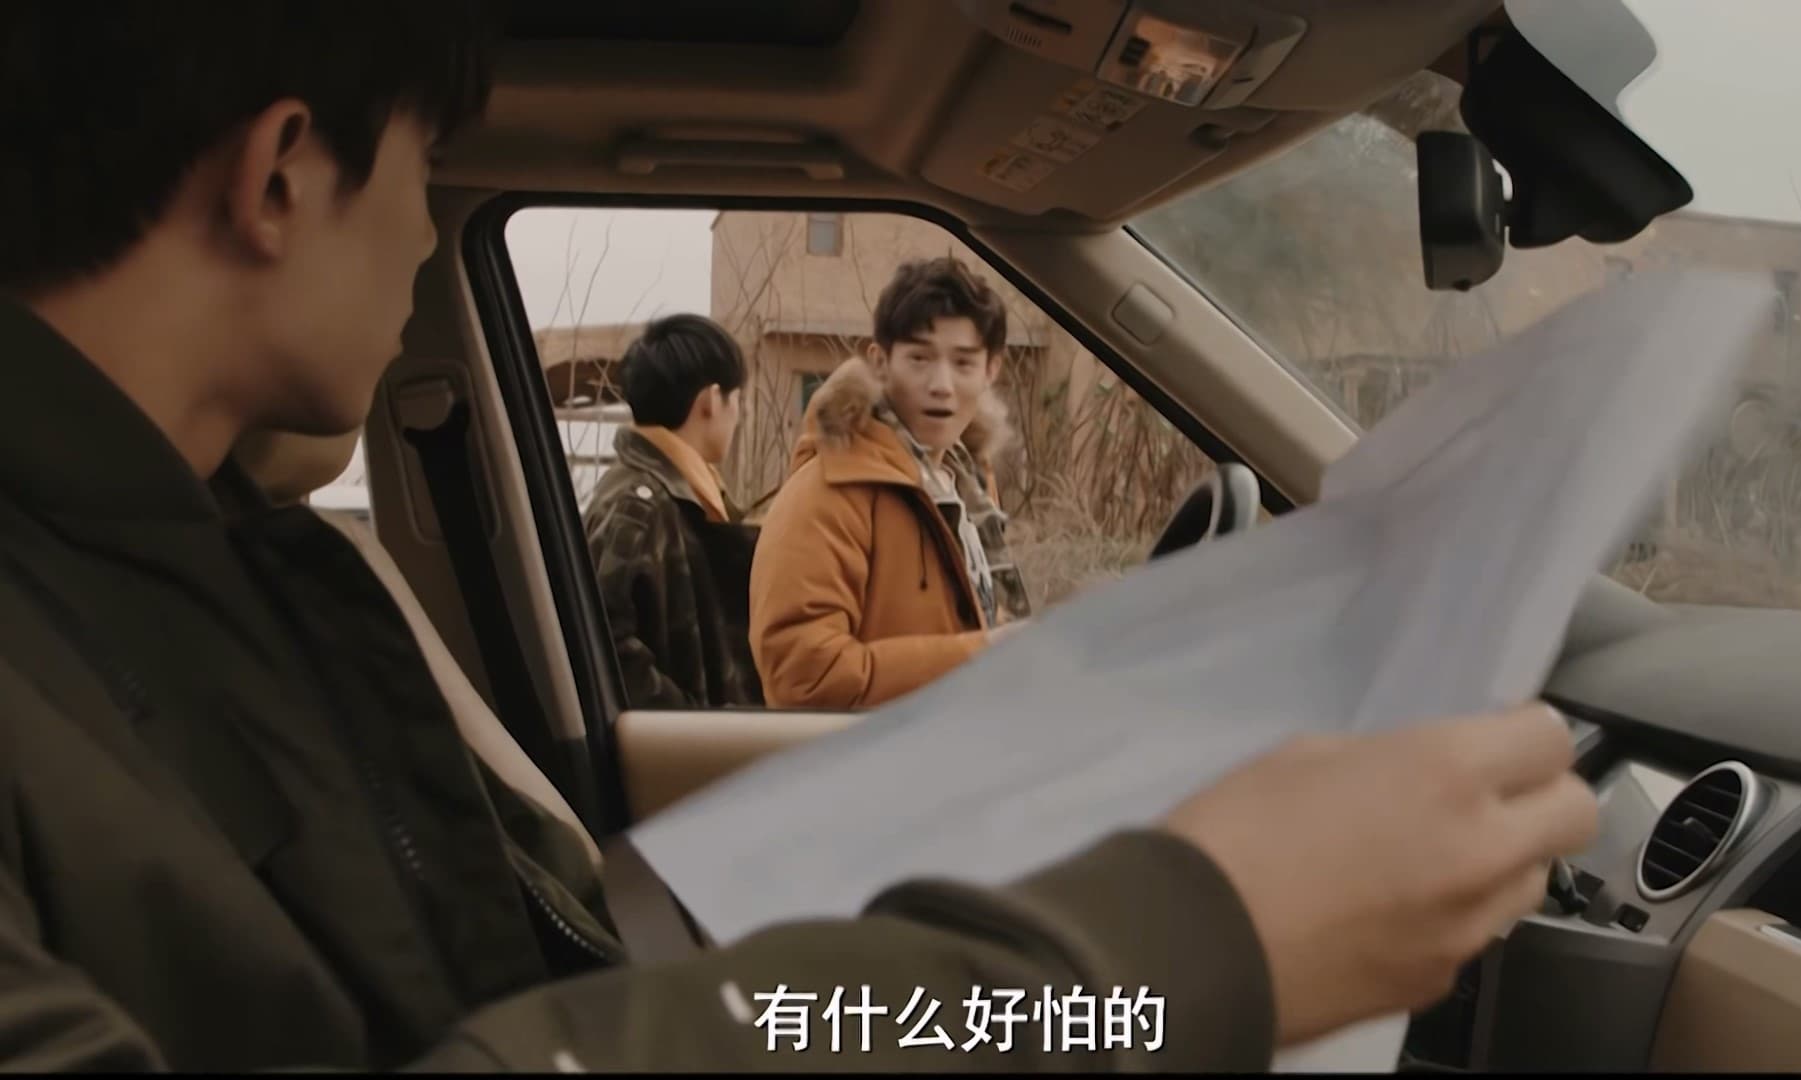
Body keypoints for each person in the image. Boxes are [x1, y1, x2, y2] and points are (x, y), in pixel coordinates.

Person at [0, 2, 1597, 1071]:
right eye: (421, 174)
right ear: (283, 177)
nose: (423, 231)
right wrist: (1173, 953)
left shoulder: (247, 573)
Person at [750, 257, 1034, 709]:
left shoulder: (969, 487)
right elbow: (803, 679)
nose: (941, 385)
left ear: (991, 370)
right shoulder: (825, 495)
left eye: (964, 362)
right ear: (880, 363)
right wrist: (981, 657)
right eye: (919, 358)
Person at [582, 314, 762, 708]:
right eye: (738, 399)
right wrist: (687, 720)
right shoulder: (641, 507)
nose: (740, 414)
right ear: (711, 402)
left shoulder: (683, 498)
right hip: (678, 744)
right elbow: (603, 647)